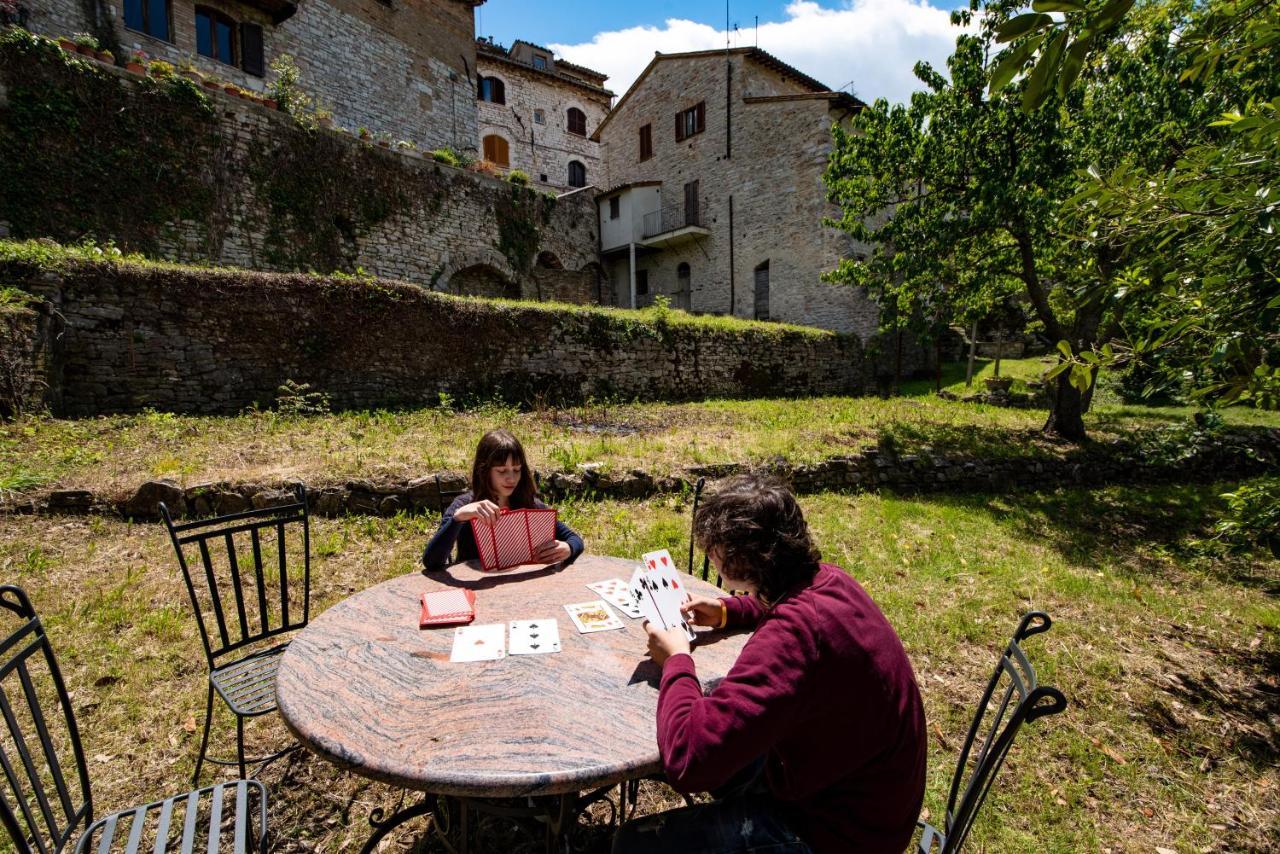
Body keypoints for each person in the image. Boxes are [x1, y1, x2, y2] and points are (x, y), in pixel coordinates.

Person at [615, 474, 927, 854]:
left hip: (838, 833)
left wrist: (677, 659)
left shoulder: (791, 640)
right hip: (865, 796)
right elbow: (784, 605)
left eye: (713, 549)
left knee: (632, 845)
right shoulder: (827, 580)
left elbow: (687, 761)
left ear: (739, 559)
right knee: (717, 711)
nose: (709, 554)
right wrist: (728, 610)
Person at [422, 429, 583, 572]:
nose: (511, 478)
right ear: (484, 471)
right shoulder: (464, 506)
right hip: (479, 590)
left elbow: (574, 539)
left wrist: (568, 548)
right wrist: (457, 519)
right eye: (502, 471)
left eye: (517, 470)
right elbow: (432, 562)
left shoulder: (529, 504)